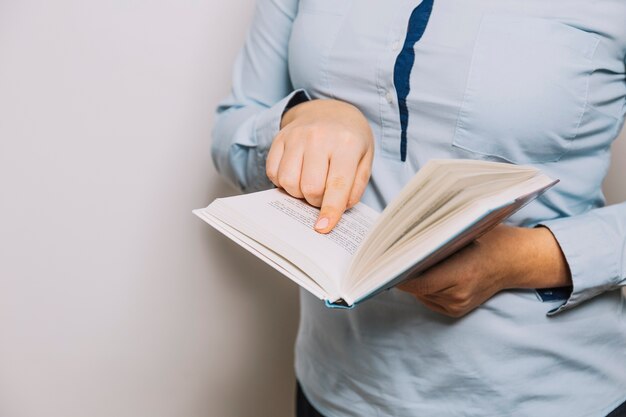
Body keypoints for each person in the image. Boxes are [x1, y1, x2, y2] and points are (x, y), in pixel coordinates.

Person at [211, 0, 626, 415]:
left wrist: (521, 259)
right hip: (336, 388)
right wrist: (302, 116)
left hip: (547, 395)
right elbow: (233, 125)